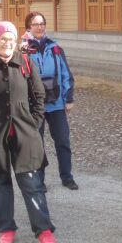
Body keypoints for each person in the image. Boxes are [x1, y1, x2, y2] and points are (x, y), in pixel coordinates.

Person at [0, 21, 57, 243]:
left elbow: (39, 95)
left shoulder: (25, 63)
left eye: (11, 39)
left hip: (24, 133)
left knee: (32, 183)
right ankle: (6, 229)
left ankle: (43, 230)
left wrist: (34, 123)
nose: (7, 43)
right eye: (3, 39)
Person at [22, 11, 77, 191]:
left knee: (62, 141)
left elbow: (66, 74)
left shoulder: (55, 48)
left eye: (42, 24)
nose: (39, 27)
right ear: (28, 27)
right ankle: (39, 180)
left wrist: (69, 98)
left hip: (56, 103)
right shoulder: (23, 50)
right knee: (37, 144)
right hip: (34, 104)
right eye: (35, 24)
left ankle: (67, 177)